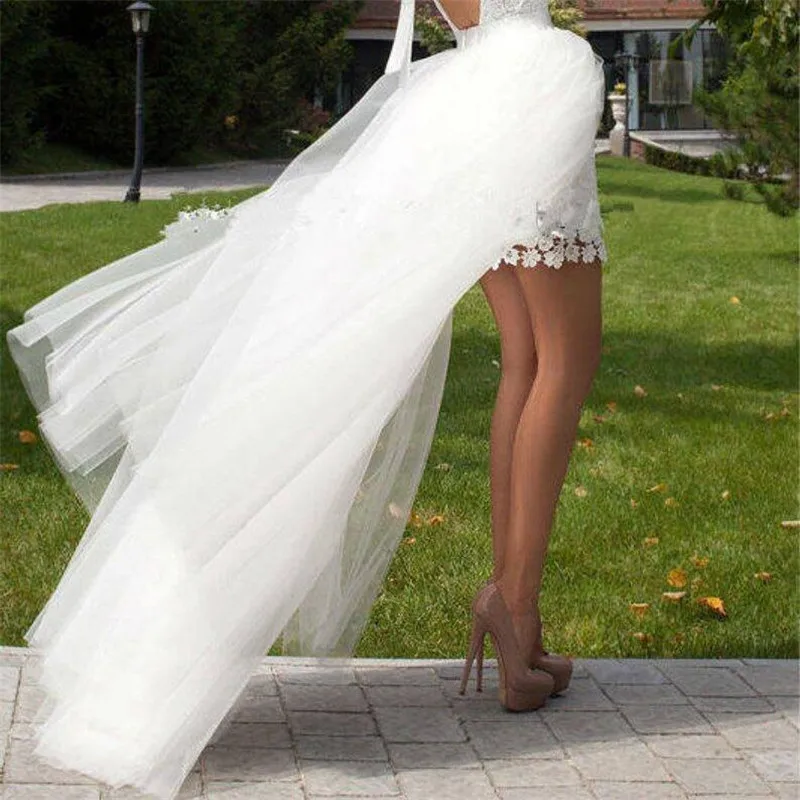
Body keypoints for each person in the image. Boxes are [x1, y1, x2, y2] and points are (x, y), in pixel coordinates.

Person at [5, 0, 608, 796]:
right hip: (530, 87)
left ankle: (518, 618)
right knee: (562, 362)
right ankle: (515, 608)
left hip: (470, 98)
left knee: (526, 362)